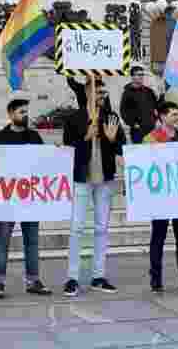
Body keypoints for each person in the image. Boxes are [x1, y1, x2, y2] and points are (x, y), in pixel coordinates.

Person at [63, 77, 124, 297]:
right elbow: (67, 150)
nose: (102, 96)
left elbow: (121, 147)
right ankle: (72, 278)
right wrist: (85, 138)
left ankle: (98, 275)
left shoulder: (112, 117)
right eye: (98, 93)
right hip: (81, 177)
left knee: (101, 228)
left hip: (104, 178)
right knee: (76, 227)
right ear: (88, 92)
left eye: (103, 93)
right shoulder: (73, 119)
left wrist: (111, 139)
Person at [0, 99, 53, 298]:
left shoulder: (34, 136)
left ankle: (33, 280)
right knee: (3, 240)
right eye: (21, 112)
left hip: (30, 197)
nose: (25, 115)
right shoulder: (0, 138)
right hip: (7, 198)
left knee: (32, 240)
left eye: (26, 112)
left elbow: (43, 163)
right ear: (10, 114)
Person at [144, 101, 178, 293]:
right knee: (158, 238)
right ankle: (156, 279)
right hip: (161, 196)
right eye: (174, 114)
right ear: (162, 116)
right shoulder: (151, 138)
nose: (177, 118)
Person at [120, 65, 159, 144]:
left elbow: (156, 106)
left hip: (151, 129)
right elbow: (123, 111)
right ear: (133, 77)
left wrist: (155, 119)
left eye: (142, 74)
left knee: (151, 153)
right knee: (140, 153)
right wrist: (133, 124)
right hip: (138, 131)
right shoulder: (127, 93)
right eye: (138, 75)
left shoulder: (148, 91)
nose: (141, 77)